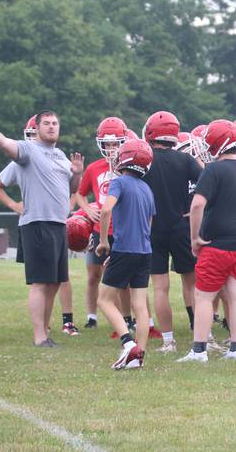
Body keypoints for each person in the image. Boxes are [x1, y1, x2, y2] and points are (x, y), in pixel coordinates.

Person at [0, 111, 83, 347]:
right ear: (37, 128)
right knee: (41, 282)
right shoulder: (28, 151)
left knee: (54, 282)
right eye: (47, 124)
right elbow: (3, 143)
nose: (52, 127)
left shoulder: (60, 155)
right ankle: (40, 337)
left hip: (59, 224)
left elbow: (71, 187)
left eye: (55, 124)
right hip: (37, 223)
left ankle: (45, 329)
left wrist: (78, 173)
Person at [178, 120, 236, 363]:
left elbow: (197, 204)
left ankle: (199, 351)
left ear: (218, 144)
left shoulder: (213, 170)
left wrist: (195, 237)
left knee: (204, 296)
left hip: (218, 244)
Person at [142, 111, 203, 353]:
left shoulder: (145, 160)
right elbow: (207, 180)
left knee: (160, 288)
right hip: (181, 226)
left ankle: (168, 340)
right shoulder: (185, 160)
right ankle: (202, 336)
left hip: (153, 227)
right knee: (192, 284)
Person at [96, 139, 156, 370]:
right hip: (144, 251)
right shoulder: (147, 189)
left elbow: (106, 209)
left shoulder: (119, 182)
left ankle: (127, 343)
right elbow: (148, 224)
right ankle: (138, 356)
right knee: (140, 305)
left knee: (104, 299)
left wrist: (104, 243)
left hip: (125, 248)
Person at [73, 117, 131, 332]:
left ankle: (127, 319)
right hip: (100, 230)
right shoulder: (94, 167)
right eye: (108, 143)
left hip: (123, 229)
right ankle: (92, 316)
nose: (111, 148)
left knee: (122, 279)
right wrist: (87, 209)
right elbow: (79, 194)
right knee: (94, 275)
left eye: (116, 143)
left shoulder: (129, 167)